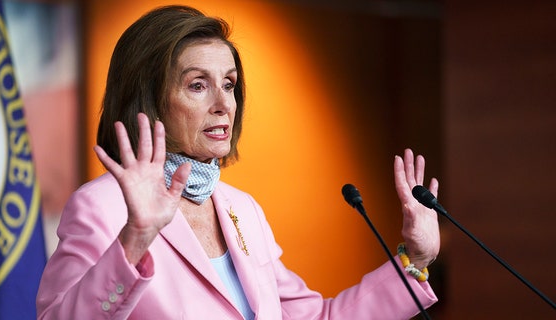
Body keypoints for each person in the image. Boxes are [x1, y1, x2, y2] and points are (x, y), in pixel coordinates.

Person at [36, 5, 440, 319]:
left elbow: (314, 317)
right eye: (198, 85)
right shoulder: (101, 207)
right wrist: (135, 239)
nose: (223, 104)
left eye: (228, 85)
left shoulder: (242, 209)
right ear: (150, 99)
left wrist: (415, 261)